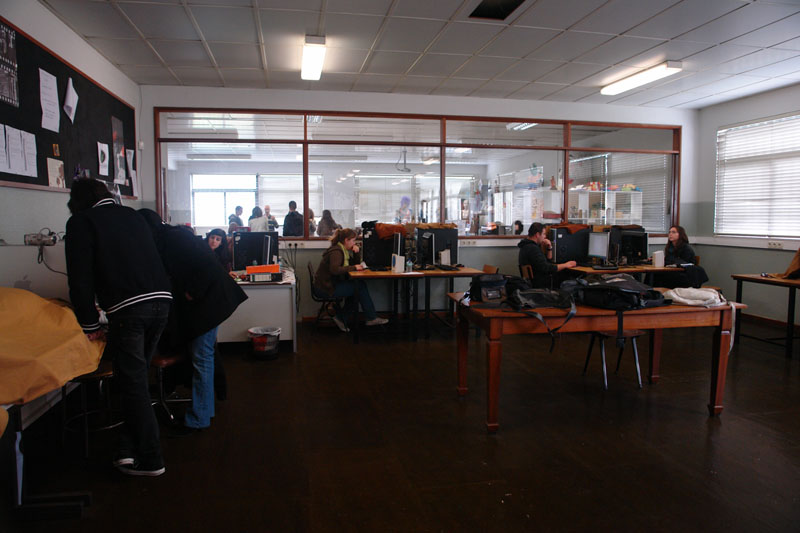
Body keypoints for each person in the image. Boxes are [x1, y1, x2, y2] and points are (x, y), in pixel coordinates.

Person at [64, 179, 172, 476]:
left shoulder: (82, 222)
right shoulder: (134, 216)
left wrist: (89, 323)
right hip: (162, 302)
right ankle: (127, 450)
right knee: (135, 379)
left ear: (77, 202)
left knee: (132, 384)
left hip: (130, 309)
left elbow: (80, 279)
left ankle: (152, 459)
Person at [139, 210, 247, 433]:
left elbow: (206, 267)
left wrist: (192, 292)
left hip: (207, 302)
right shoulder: (175, 236)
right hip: (209, 300)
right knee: (203, 356)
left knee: (202, 358)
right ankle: (204, 412)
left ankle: (199, 419)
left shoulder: (174, 240)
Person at [313, 228, 389, 332]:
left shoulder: (342, 250)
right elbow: (335, 270)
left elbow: (353, 264)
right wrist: (354, 268)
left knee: (357, 288)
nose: (354, 243)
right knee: (359, 287)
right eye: (353, 240)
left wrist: (356, 253)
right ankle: (371, 318)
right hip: (325, 288)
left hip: (327, 285)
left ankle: (341, 318)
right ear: (346, 240)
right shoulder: (337, 252)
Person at [518, 222, 576, 288]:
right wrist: (566, 265)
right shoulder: (533, 249)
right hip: (541, 283)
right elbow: (546, 268)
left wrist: (549, 247)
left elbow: (547, 260)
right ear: (537, 235)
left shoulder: (525, 246)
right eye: (544, 234)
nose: (545, 236)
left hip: (534, 282)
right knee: (568, 275)